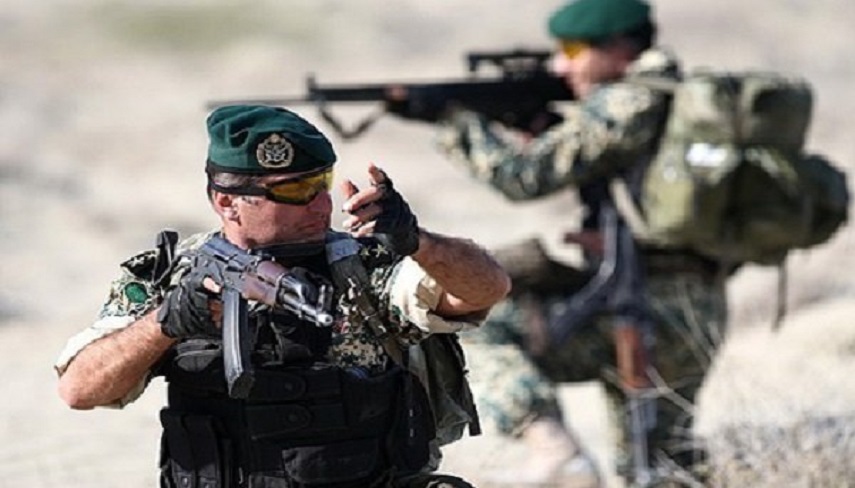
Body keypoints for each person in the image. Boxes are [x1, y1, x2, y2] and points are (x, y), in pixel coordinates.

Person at [55, 104, 511, 488]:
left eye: (321, 183)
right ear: (227, 202)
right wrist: (166, 323)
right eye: (295, 190)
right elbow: (79, 389)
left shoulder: (363, 266)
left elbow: (486, 289)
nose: (321, 204)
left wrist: (418, 242)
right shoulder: (170, 275)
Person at [417, 0, 730, 485]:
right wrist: (544, 128)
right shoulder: (673, 99)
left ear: (619, 49)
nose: (561, 66)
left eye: (572, 50)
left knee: (468, 322)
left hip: (641, 305)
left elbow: (524, 176)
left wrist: (452, 121)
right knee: (661, 467)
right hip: (694, 304)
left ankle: (551, 447)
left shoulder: (628, 100)